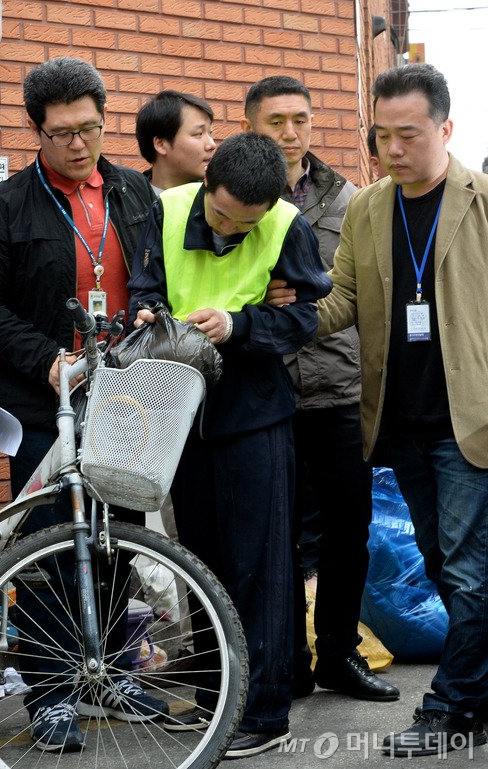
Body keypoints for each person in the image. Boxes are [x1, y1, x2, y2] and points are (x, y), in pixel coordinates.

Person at [0, 57, 168, 753]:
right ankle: (48, 689)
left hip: (119, 393)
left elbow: (156, 277)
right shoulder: (4, 207)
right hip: (44, 398)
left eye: (91, 129)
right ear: (37, 132)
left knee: (114, 538)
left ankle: (108, 667)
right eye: (63, 133)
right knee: (47, 545)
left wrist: (145, 314)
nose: (79, 144)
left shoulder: (137, 193)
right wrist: (46, 358)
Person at [128, 132, 332, 758]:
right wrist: (148, 315)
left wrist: (238, 324)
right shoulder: (163, 208)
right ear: (208, 181)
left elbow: (304, 315)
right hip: (180, 408)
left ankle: (266, 711)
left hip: (253, 411)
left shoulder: (286, 225)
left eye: (246, 225)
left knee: (262, 565)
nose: (229, 231)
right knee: (204, 559)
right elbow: (144, 289)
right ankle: (221, 698)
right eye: (220, 216)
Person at [317, 62, 488, 756]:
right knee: (446, 565)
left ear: (446, 128)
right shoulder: (366, 207)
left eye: (408, 135)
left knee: (469, 570)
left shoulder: (480, 202)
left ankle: (452, 704)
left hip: (469, 421)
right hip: (398, 421)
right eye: (380, 136)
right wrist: (271, 316)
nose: (392, 150)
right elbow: (341, 303)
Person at [243, 75, 398, 702]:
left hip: (338, 388)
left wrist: (310, 291)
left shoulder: (350, 200)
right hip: (265, 394)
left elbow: (362, 290)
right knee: (273, 536)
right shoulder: (230, 195)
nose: (289, 132)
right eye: (275, 120)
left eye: (300, 119)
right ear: (250, 123)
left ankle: (338, 653)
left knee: (346, 530)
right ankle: (284, 663)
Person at [135, 88, 216, 678]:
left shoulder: (223, 204)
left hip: (212, 391)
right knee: (151, 531)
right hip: (144, 394)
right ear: (162, 144)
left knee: (197, 529)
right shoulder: (132, 204)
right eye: (198, 133)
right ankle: (166, 657)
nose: (211, 143)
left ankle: (204, 659)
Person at [136, 89, 216, 194]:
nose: (212, 145)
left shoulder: (219, 203)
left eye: (210, 133)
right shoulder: (127, 204)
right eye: (198, 134)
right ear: (161, 145)